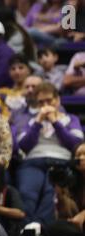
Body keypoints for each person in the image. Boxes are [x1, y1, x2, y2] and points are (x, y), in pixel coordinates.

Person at [16, 82, 84, 227]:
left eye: (49, 100)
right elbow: (24, 146)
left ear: (57, 100)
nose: (45, 105)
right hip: (33, 161)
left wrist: (55, 122)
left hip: (61, 161)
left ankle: (39, 228)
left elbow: (75, 144)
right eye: (41, 102)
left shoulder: (71, 119)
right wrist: (38, 122)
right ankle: (26, 229)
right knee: (27, 192)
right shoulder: (30, 121)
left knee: (51, 193)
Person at [46, 142, 85, 236]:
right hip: (80, 229)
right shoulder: (72, 182)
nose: (81, 158)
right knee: (55, 227)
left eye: (84, 154)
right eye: (78, 155)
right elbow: (68, 216)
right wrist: (60, 195)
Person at [0, 54, 31, 120]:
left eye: (21, 68)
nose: (17, 72)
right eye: (13, 69)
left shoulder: (33, 91)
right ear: (9, 72)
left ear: (28, 70)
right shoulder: (2, 91)